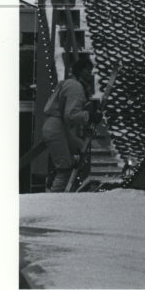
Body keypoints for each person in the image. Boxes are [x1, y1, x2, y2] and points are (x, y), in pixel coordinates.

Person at [41, 55, 102, 192]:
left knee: (82, 148)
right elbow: (71, 115)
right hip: (57, 127)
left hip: (58, 126)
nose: (90, 74)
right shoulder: (75, 86)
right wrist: (89, 116)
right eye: (87, 70)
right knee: (64, 168)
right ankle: (55, 196)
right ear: (80, 71)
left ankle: (70, 181)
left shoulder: (69, 83)